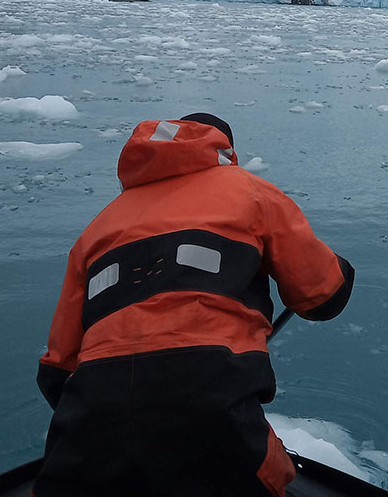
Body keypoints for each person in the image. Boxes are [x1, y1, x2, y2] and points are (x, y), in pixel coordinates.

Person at [34, 113, 355, 497]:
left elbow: (57, 370)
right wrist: (343, 271)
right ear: (224, 148)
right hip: (211, 401)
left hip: (92, 415)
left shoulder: (97, 229)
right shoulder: (250, 192)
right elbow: (322, 296)